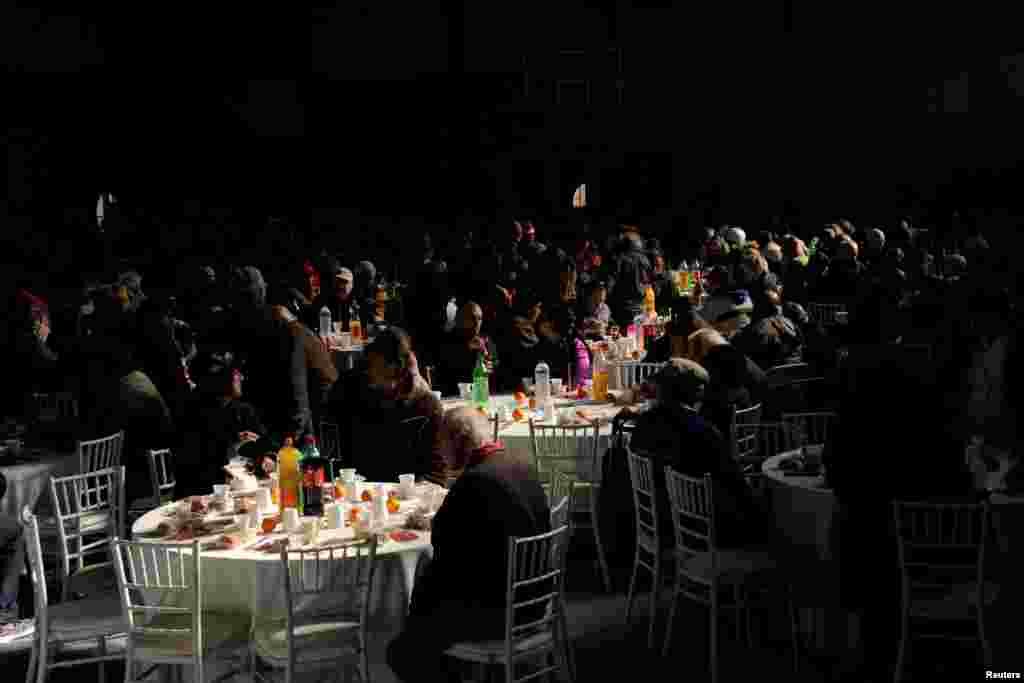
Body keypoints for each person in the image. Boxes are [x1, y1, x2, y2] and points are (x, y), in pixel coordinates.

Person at [387, 407, 550, 683]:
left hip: (501, 614)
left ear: (458, 442)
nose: (441, 455)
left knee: (403, 650)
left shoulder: (474, 482)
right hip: (537, 599)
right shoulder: (521, 464)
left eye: (442, 446)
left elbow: (444, 550)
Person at [630, 359, 768, 549]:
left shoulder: (643, 424)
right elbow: (735, 483)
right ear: (697, 393)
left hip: (658, 521)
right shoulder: (702, 431)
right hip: (701, 530)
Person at [327, 327, 445, 482]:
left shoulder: (425, 404)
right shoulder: (346, 390)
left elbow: (435, 471)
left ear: (399, 370)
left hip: (406, 491)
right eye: (371, 364)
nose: (371, 373)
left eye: (382, 368)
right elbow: (331, 452)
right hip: (355, 486)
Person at [178, 352, 265, 497]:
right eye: (237, 373)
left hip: (243, 489)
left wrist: (267, 457)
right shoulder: (193, 413)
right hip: (204, 494)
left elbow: (264, 444)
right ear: (221, 377)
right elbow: (195, 464)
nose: (242, 378)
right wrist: (232, 445)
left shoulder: (243, 410)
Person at [437, 302, 499, 397]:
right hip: (454, 396)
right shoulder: (447, 340)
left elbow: (496, 368)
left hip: (483, 396)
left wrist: (490, 366)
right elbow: (444, 372)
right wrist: (466, 348)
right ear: (459, 319)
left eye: (479, 318)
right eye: (472, 318)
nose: (476, 322)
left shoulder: (486, 340)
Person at [608, 232, 653, 326]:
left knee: (626, 338)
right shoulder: (645, 260)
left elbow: (610, 285)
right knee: (639, 336)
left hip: (623, 309)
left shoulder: (620, 259)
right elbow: (647, 283)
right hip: (641, 308)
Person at [310, 258, 359, 333]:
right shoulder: (322, 301)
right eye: (339, 282)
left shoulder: (353, 303)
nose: (342, 286)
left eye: (345, 282)